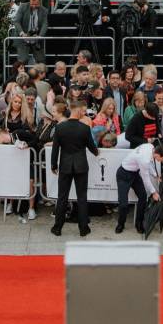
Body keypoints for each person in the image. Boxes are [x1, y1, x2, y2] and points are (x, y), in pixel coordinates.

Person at [50, 101, 100, 237]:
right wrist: (97, 152)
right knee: (82, 197)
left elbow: (55, 149)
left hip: (65, 166)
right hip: (81, 166)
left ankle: (57, 228)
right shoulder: (84, 128)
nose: (83, 113)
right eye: (82, 111)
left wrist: (53, 165)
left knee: (62, 197)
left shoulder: (60, 128)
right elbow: (91, 146)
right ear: (77, 111)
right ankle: (83, 228)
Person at [115, 139, 163, 235]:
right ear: (158, 155)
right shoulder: (144, 159)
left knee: (143, 197)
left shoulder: (151, 147)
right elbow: (145, 179)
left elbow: (150, 165)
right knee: (123, 204)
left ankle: (139, 224)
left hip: (134, 174)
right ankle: (120, 224)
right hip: (123, 174)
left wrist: (155, 175)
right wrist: (154, 192)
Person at [15, 0, 48, 67]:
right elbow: (16, 22)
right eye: (32, 4)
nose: (33, 6)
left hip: (36, 39)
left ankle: (40, 77)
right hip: (23, 38)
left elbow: (45, 24)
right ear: (29, 1)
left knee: (41, 60)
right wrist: (22, 33)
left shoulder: (44, 10)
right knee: (22, 60)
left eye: (36, 4)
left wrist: (40, 36)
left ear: (39, 2)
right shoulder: (23, 7)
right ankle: (21, 77)